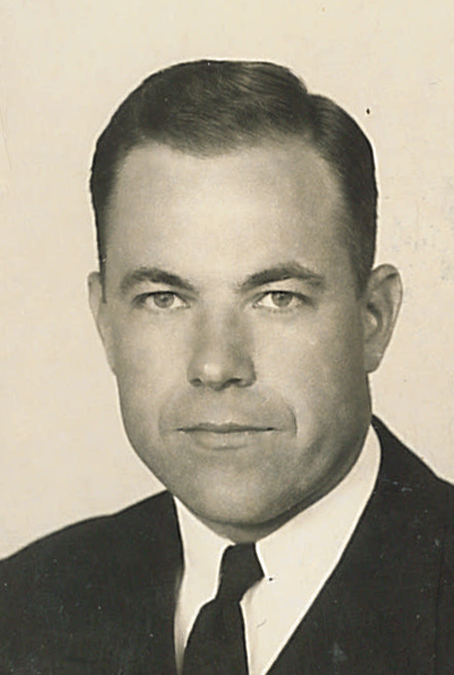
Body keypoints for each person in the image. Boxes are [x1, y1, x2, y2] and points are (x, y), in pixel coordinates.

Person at [0, 59, 453, 675]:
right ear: (106, 322)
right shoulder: (23, 606)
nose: (216, 366)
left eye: (277, 298)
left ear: (373, 318)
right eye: (164, 299)